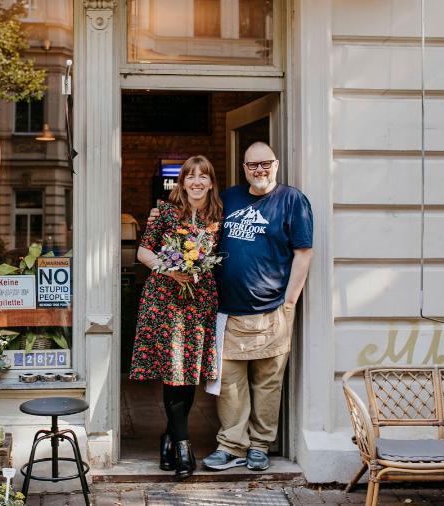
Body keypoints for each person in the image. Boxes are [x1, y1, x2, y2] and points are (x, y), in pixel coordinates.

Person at [146, 142, 313, 473]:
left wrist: (290, 303)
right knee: (229, 383)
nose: (259, 170)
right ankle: (231, 445)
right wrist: (160, 212)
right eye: (253, 165)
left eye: (265, 164)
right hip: (226, 310)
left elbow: (303, 253)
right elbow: (194, 221)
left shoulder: (293, 200)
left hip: (273, 309)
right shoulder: (230, 199)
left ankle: (260, 446)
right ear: (243, 168)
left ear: (276, 165)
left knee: (267, 383)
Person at [129, 155, 223, 479]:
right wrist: (171, 269)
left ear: (211, 182)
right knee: (173, 371)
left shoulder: (217, 217)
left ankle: (169, 436)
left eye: (203, 176)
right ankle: (183, 445)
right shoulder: (165, 211)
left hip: (199, 304)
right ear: (181, 182)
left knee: (189, 373)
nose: (196, 182)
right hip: (166, 302)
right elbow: (143, 252)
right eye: (190, 176)